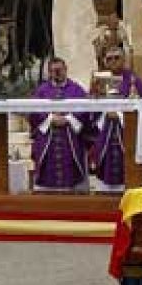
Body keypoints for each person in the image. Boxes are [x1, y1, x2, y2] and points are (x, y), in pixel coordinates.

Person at [87, 48, 142, 192]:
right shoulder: (99, 80)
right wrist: (94, 96)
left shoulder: (135, 82)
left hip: (126, 134)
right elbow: (91, 107)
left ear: (124, 59)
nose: (113, 61)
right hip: (105, 132)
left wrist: (119, 115)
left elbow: (141, 108)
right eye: (109, 59)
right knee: (105, 172)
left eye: (116, 58)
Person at [28, 57, 90, 192]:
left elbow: (85, 109)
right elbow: (34, 112)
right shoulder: (41, 91)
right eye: (53, 71)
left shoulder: (77, 89)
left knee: (72, 173)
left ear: (66, 70)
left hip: (70, 137)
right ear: (49, 73)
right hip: (48, 137)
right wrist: (50, 118)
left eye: (59, 70)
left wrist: (68, 119)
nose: (56, 73)